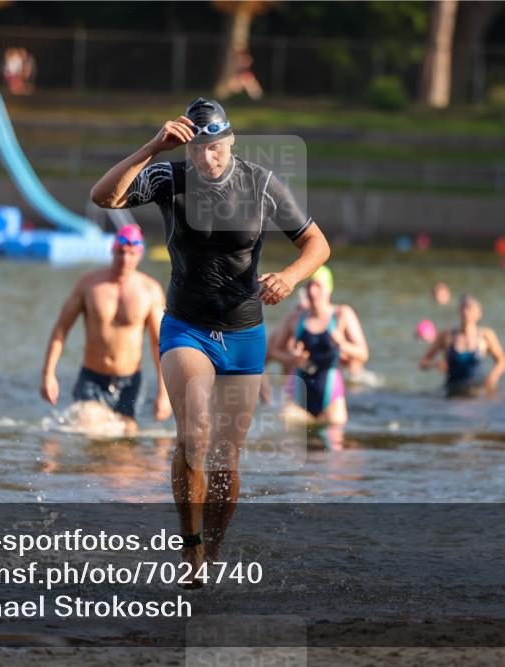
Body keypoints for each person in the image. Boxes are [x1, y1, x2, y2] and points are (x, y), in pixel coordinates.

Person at [89, 97, 329, 585]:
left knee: (226, 461)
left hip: (244, 331)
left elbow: (316, 244)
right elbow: (104, 197)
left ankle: (213, 554)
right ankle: (191, 548)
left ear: (230, 141)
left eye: (215, 147)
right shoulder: (170, 178)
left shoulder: (261, 184)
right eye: (198, 148)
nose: (207, 158)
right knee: (194, 434)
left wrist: (290, 276)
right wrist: (154, 147)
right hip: (186, 326)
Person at [40, 224, 172, 436]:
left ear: (139, 255)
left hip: (130, 381)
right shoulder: (89, 284)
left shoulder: (150, 291)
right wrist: (48, 374)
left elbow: (159, 344)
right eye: (120, 252)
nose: (125, 259)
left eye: (131, 254)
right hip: (92, 378)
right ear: (112, 250)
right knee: (91, 428)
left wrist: (164, 393)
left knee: (126, 440)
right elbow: (61, 330)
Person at [271, 265, 367, 426]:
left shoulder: (342, 314)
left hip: (331, 395)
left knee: (334, 444)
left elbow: (363, 354)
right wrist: (292, 359)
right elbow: (274, 350)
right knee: (284, 431)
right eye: (309, 285)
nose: (313, 291)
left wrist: (342, 344)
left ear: (329, 289)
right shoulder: (296, 317)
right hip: (298, 393)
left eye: (318, 286)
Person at [419, 295, 505, 398]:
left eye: (470, 309)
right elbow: (423, 363)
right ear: (459, 312)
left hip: (476, 389)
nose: (466, 312)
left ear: (479, 314)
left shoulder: (486, 336)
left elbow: (502, 361)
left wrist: (493, 376)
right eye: (463, 308)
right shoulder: (447, 336)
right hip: (452, 389)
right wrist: (435, 364)